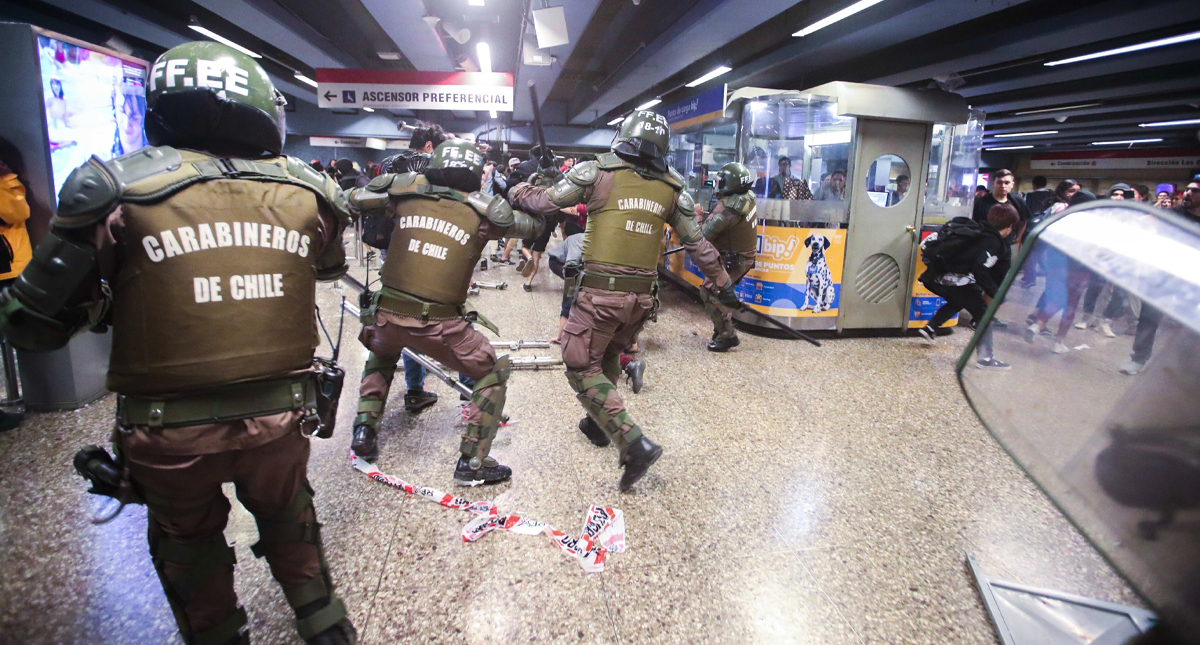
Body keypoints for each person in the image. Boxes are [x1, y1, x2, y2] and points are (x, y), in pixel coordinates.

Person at [0, 42, 356, 644]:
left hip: (167, 431)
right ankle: (325, 626)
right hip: (280, 417)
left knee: (186, 541)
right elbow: (324, 268)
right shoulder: (311, 192)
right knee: (290, 514)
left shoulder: (112, 188)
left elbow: (31, 324)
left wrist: (115, 299)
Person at [508, 110, 738, 490]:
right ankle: (599, 426)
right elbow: (697, 243)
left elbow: (546, 203)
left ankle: (634, 443)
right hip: (641, 302)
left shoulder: (597, 171)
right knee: (611, 353)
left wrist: (517, 189)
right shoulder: (673, 187)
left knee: (579, 363)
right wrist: (724, 284)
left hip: (601, 293)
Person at [347, 139, 545, 485]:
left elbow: (353, 200)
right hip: (439, 326)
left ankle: (364, 430)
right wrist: (527, 189)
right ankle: (472, 463)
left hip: (386, 316)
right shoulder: (483, 213)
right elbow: (534, 227)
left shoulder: (405, 193)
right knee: (492, 372)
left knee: (380, 355)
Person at [374, 123, 452, 413]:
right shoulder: (431, 169)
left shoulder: (389, 165)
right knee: (426, 318)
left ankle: (407, 387)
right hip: (424, 253)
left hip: (390, 253)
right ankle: (417, 388)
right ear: (430, 146)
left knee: (394, 318)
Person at [916, 204, 1019, 370]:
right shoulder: (993, 242)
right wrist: (996, 293)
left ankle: (930, 327)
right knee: (984, 315)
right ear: (1010, 227)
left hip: (939, 278)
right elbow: (980, 268)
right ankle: (985, 358)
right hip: (959, 281)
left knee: (958, 301)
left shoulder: (978, 232)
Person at [547, 233, 646, 392]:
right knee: (604, 343)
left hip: (604, 309)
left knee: (591, 347)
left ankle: (628, 365)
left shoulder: (579, 247)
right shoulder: (605, 248)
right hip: (622, 306)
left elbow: (568, 304)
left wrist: (561, 336)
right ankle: (628, 364)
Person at [1024, 190, 1097, 353]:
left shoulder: (1062, 218)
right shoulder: (1091, 224)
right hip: (1078, 270)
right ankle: (1058, 342)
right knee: (1070, 305)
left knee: (1056, 298)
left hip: (1056, 266)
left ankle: (1039, 324)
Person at [698, 162, 757, 352]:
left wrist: (697, 217)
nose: (717, 185)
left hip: (735, 260)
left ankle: (727, 335)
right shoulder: (747, 197)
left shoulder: (729, 207)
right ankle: (721, 328)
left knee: (710, 290)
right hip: (741, 257)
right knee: (718, 290)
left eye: (721, 181)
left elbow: (701, 236)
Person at [0, 141, 32, 432]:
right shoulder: (6, 187)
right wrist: (8, 179)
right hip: (6, 269)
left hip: (11, 268)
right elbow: (17, 213)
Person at [973, 170, 1030, 244]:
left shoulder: (1018, 201)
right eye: (999, 182)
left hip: (1009, 243)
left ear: (1012, 184)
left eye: (1007, 183)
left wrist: (1018, 237)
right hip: (986, 243)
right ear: (993, 183)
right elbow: (975, 224)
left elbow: (1023, 220)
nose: (1003, 186)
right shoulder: (980, 202)